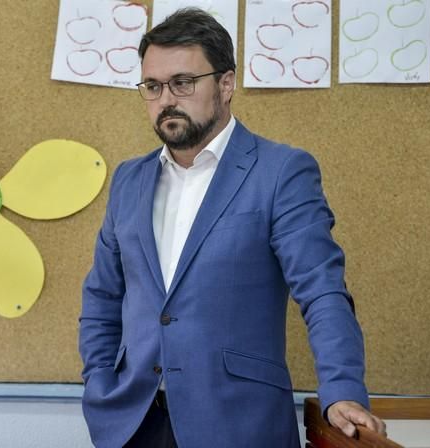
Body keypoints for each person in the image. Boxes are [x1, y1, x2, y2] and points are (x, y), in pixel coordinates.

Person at [79, 7, 386, 447]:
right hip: (133, 425)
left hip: (239, 425)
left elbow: (322, 290)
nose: (166, 98)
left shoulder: (281, 171)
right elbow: (103, 297)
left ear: (226, 83)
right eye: (152, 86)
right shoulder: (129, 179)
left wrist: (342, 391)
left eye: (183, 83)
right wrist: (98, 381)